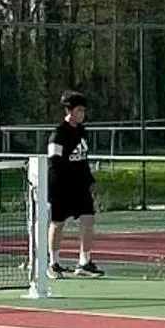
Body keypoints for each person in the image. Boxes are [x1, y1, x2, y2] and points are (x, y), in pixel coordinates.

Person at [47, 89, 103, 277]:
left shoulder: (82, 132)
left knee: (88, 219)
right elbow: (54, 163)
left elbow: (83, 159)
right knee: (58, 223)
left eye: (84, 111)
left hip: (80, 186)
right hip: (61, 187)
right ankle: (54, 263)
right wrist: (58, 187)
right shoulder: (58, 134)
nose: (82, 114)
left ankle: (84, 262)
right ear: (69, 111)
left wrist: (89, 181)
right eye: (79, 110)